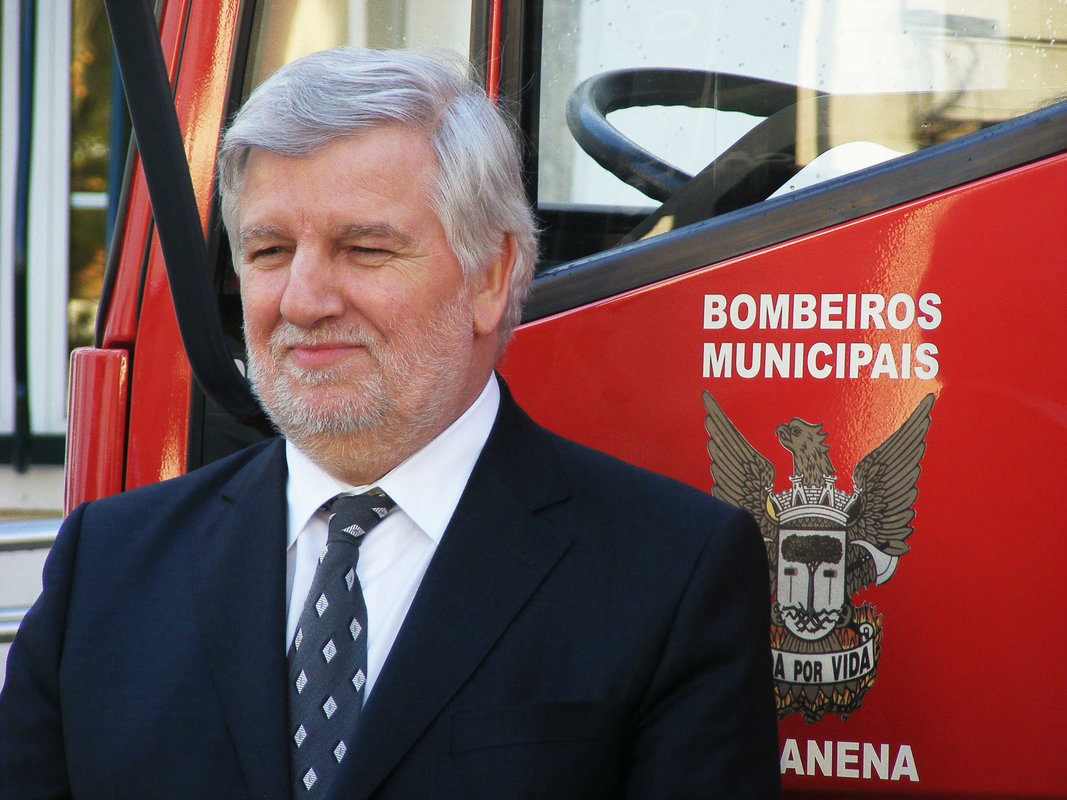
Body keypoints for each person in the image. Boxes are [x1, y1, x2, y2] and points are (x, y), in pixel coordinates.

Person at [0, 48, 779, 799]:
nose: (302, 300)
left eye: (364, 248)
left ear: (491, 275)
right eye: (269, 250)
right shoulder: (105, 565)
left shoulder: (669, 573)